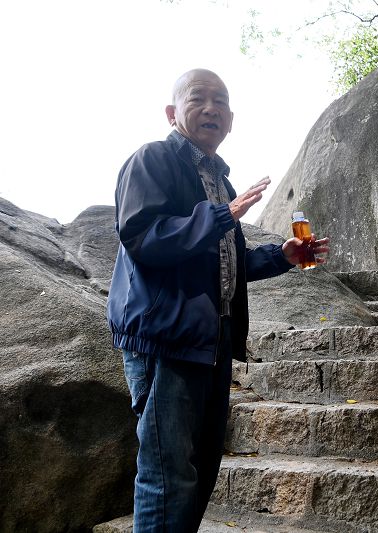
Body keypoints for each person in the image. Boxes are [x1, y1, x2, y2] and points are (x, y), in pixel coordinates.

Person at [107, 68, 329, 532]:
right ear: (173, 112)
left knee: (202, 469)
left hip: (212, 342)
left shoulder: (220, 182)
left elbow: (225, 261)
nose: (212, 109)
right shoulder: (153, 160)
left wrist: (283, 255)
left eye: (221, 102)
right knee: (168, 476)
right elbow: (142, 235)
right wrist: (221, 215)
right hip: (166, 338)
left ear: (231, 120)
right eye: (199, 98)